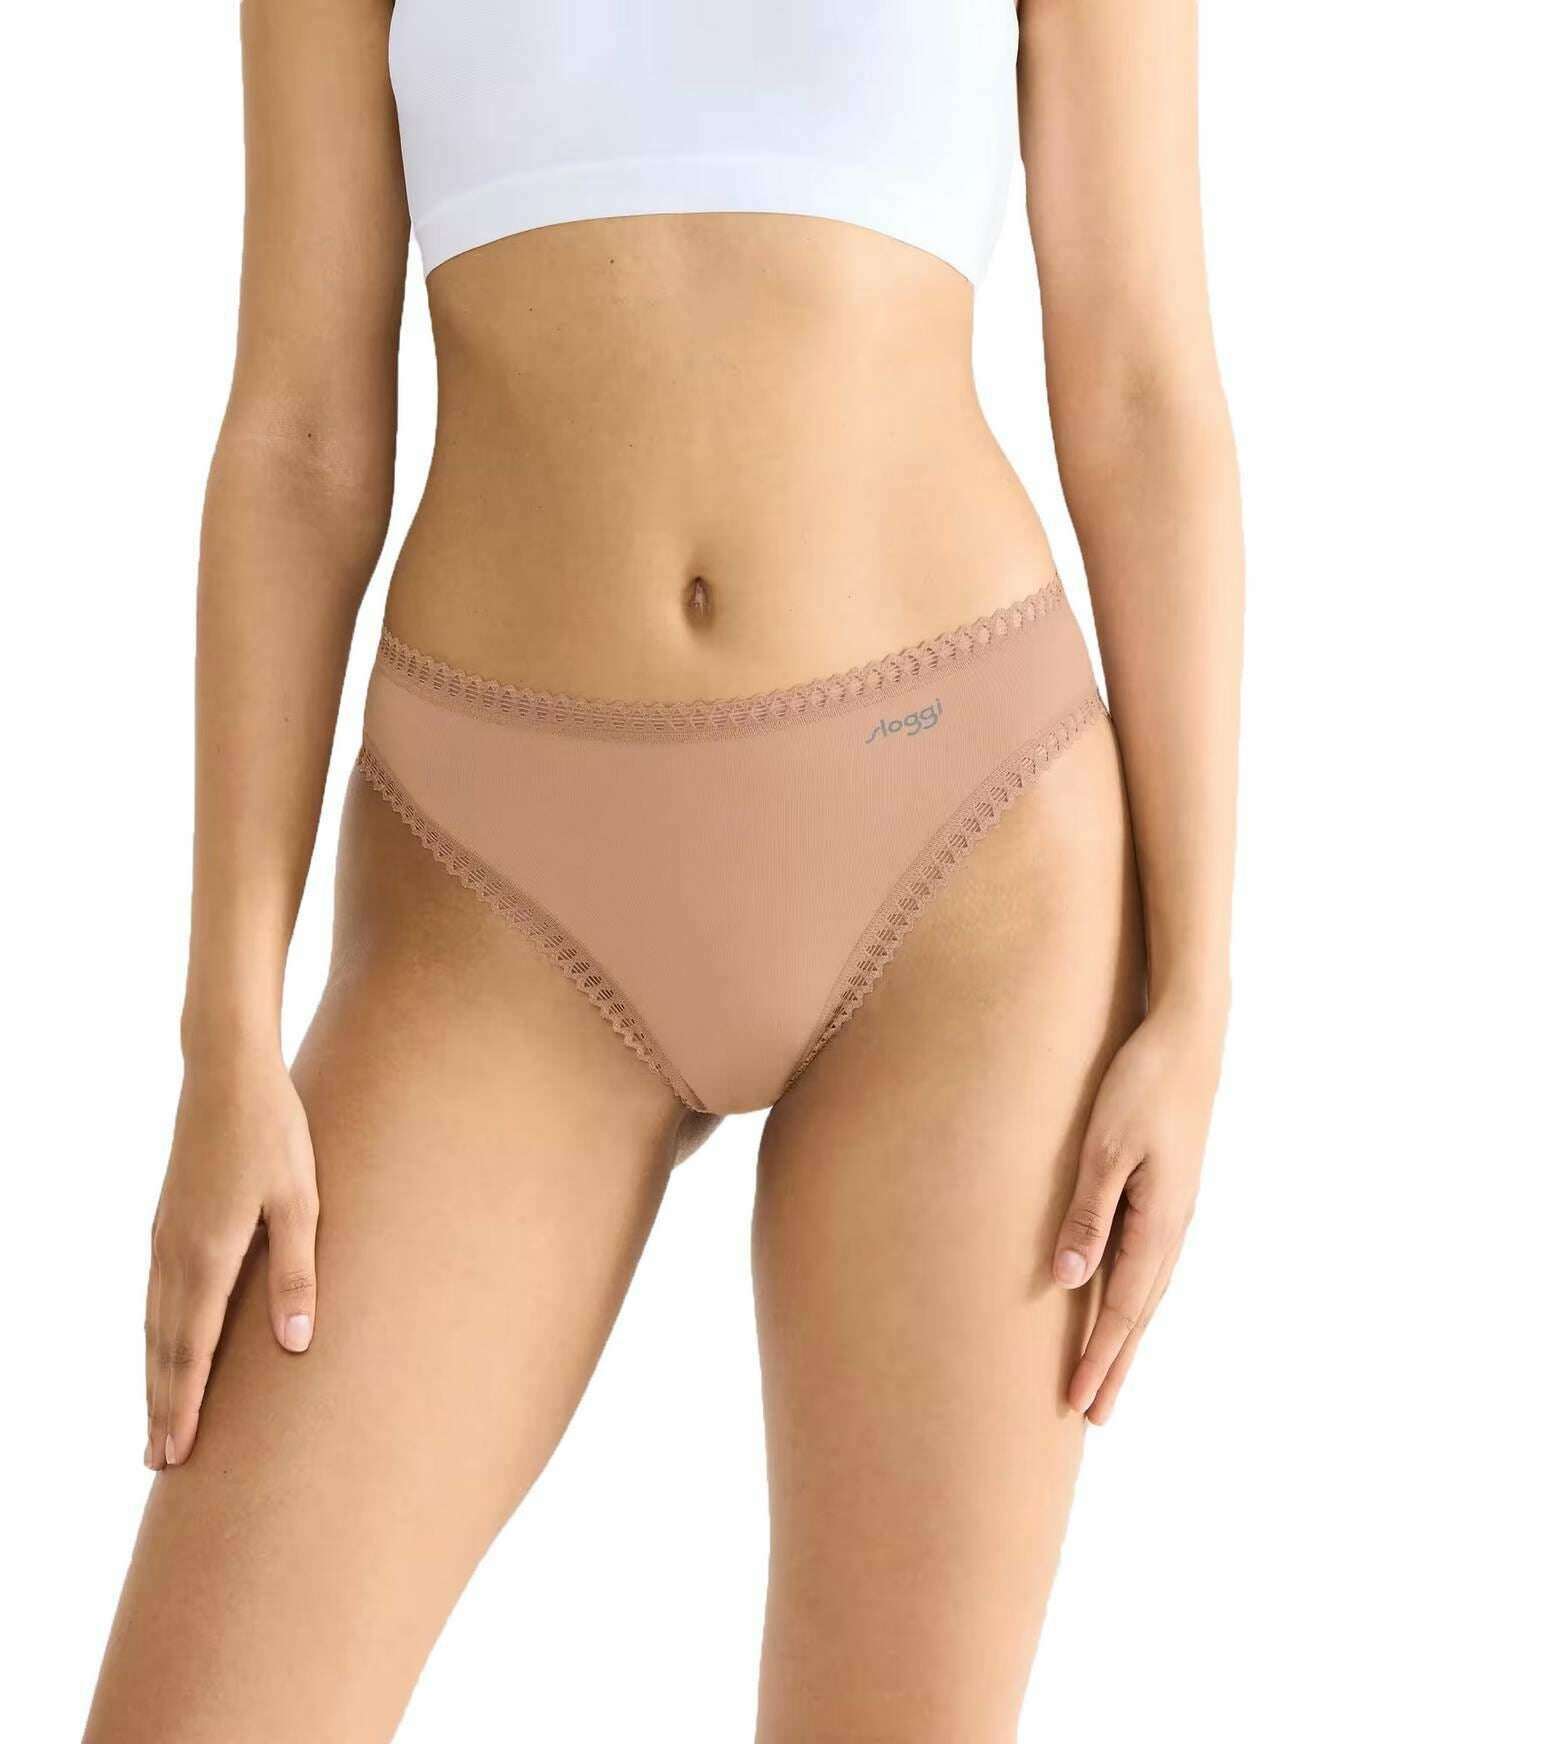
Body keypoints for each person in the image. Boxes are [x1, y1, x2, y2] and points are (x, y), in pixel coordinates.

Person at [86, 1, 1242, 1737]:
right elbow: (300, 441)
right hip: (490, 900)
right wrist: (224, 1035)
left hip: (966, 871)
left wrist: (1199, 995)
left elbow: (1144, 388)